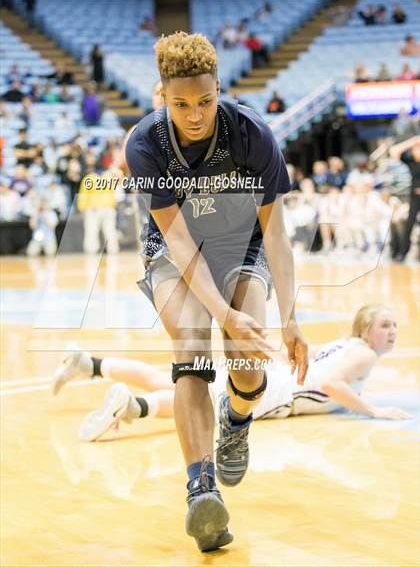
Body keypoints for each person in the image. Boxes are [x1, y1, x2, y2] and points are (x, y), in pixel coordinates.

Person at [121, 32, 307, 552]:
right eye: (180, 104)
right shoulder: (144, 144)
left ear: (219, 89)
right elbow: (177, 238)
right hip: (175, 249)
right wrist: (220, 310)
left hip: (241, 243)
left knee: (248, 361)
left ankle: (236, 418)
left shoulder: (251, 133)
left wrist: (289, 317)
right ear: (163, 96)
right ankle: (200, 490)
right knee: (191, 345)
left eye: (205, 101)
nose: (195, 114)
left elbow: (275, 232)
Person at [53, 303, 410, 431]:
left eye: (394, 325)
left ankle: (92, 364)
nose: (392, 332)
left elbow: (314, 360)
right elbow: (332, 382)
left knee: (176, 382)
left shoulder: (348, 345)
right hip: (275, 391)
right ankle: (133, 407)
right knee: (197, 405)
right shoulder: (363, 353)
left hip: (272, 375)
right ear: (365, 330)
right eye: (384, 326)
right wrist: (373, 411)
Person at [390, 136, 420, 261]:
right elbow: (394, 151)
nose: (417, 150)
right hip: (415, 198)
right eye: (416, 148)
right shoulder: (411, 161)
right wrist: (413, 140)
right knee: (409, 225)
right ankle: (402, 252)